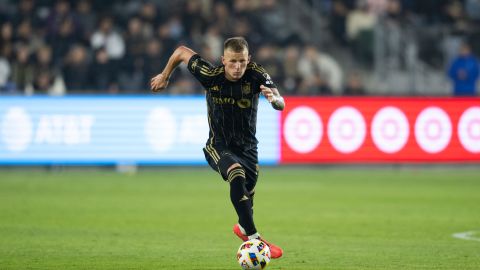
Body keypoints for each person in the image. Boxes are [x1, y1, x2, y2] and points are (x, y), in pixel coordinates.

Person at [150, 37, 284, 259]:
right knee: (236, 174)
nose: (237, 67)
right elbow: (182, 51)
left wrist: (274, 100)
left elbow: (280, 102)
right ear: (223, 60)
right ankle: (255, 238)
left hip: (249, 148)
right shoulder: (211, 76)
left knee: (247, 196)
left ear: (248, 59)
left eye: (242, 61)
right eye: (232, 61)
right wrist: (165, 76)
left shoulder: (256, 73)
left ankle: (243, 228)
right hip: (218, 145)